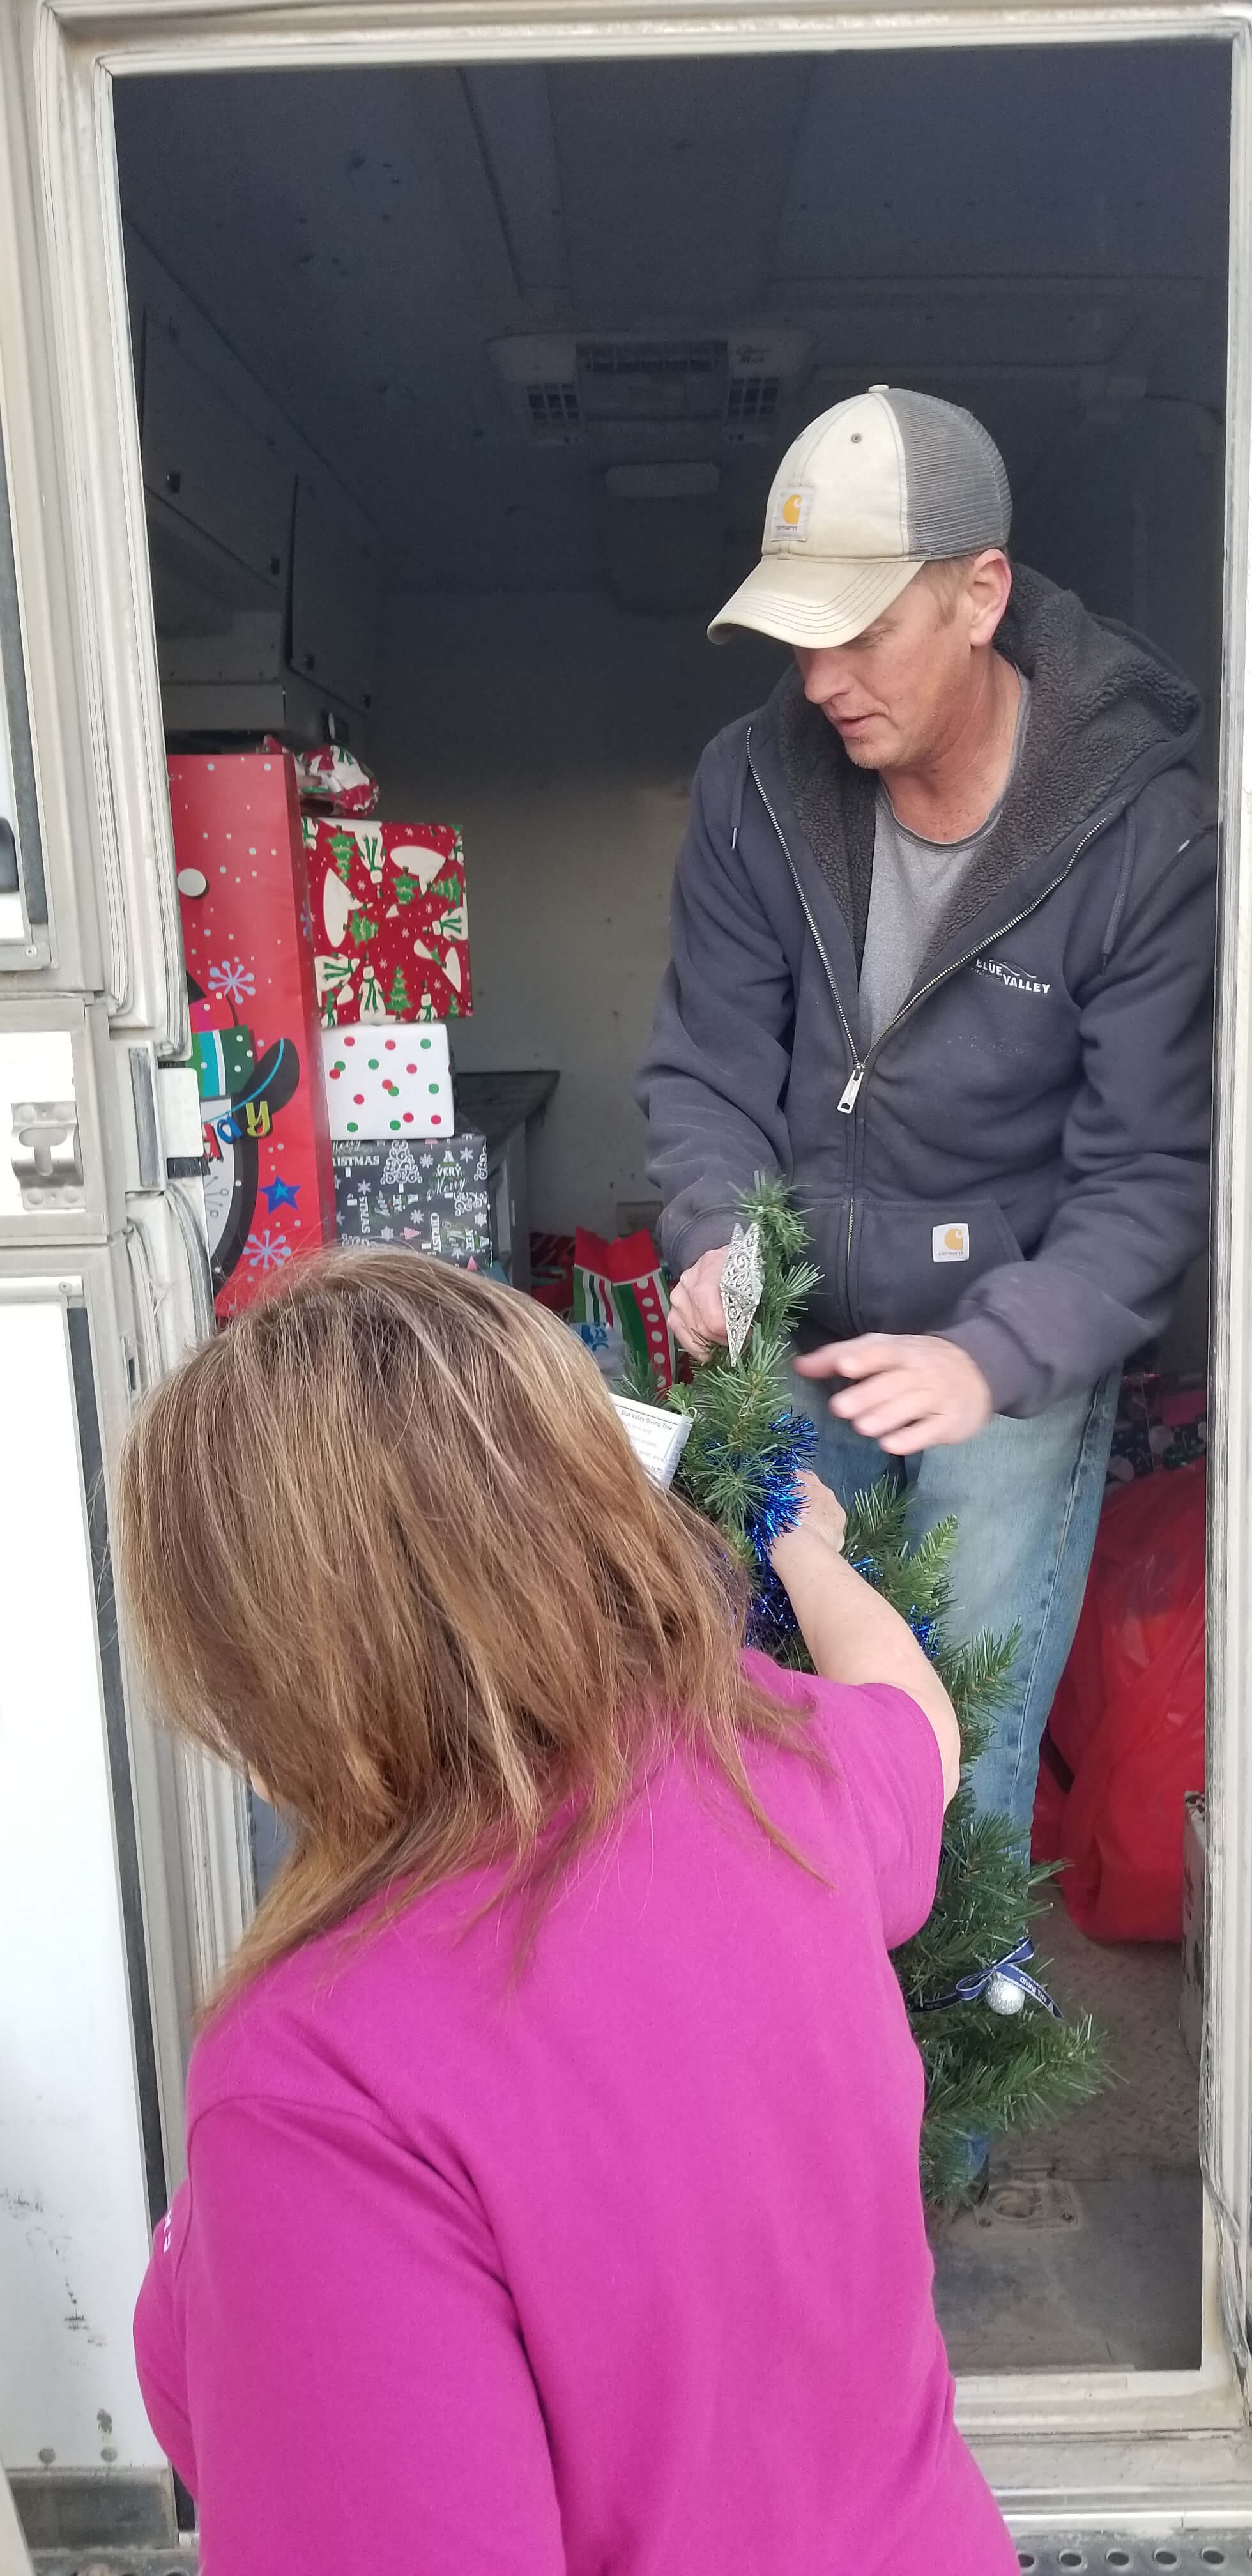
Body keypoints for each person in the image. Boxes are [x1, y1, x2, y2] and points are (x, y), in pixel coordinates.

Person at [117, 1248, 1016, 2576]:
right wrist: (796, 1547)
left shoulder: (318, 2081)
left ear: (258, 1667)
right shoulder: (776, 1775)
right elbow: (919, 1731)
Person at [637, 384, 1215, 1838]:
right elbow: (706, 1065)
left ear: (977, 592)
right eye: (798, 632)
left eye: (862, 627)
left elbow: (1145, 1169)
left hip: (1002, 1342)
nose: (820, 675)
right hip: (800, 1326)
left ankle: (950, 2040)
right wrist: (713, 1240)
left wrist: (995, 1363)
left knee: (954, 1740)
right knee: (767, 1715)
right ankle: (812, 2046)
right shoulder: (748, 787)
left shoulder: (1139, 829)